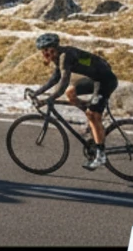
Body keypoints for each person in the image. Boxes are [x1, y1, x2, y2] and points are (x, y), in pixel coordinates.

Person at [28, 32, 119, 170]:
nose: (45, 54)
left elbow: (63, 81)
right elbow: (55, 79)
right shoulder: (58, 57)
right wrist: (36, 92)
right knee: (70, 92)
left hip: (106, 80)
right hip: (95, 79)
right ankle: (93, 119)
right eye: (43, 51)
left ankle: (100, 155)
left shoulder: (65, 56)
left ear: (55, 47)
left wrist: (49, 99)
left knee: (92, 114)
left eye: (48, 50)